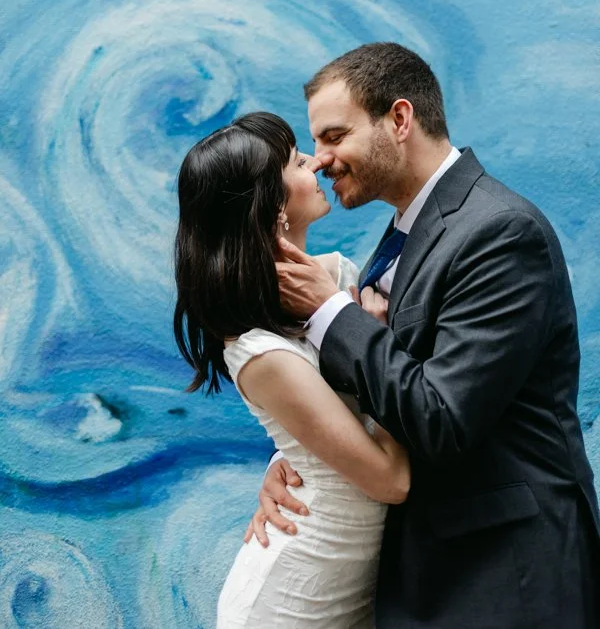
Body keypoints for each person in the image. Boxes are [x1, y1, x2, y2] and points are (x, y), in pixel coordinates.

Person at [248, 43, 600, 629]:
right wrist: (301, 454)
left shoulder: (499, 232)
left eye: (334, 136)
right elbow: (384, 385)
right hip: (439, 574)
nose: (321, 160)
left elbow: (442, 416)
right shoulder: (408, 233)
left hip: (507, 577)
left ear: (401, 119)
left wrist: (331, 311)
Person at [173, 111, 411, 628]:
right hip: (294, 602)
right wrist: (379, 341)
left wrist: (285, 458)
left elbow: (331, 422)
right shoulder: (259, 352)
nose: (320, 163)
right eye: (300, 162)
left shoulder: (342, 276)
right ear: (274, 207)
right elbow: (390, 480)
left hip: (356, 584)